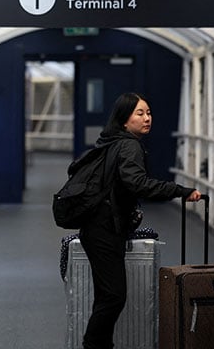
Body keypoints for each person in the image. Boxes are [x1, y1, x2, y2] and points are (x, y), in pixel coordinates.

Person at [79, 92, 201, 349]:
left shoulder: (110, 141)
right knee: (113, 297)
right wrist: (180, 191)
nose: (147, 118)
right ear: (124, 120)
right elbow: (138, 184)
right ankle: (92, 345)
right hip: (104, 229)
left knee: (106, 295)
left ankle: (100, 346)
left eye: (148, 113)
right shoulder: (129, 145)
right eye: (140, 113)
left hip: (97, 226)